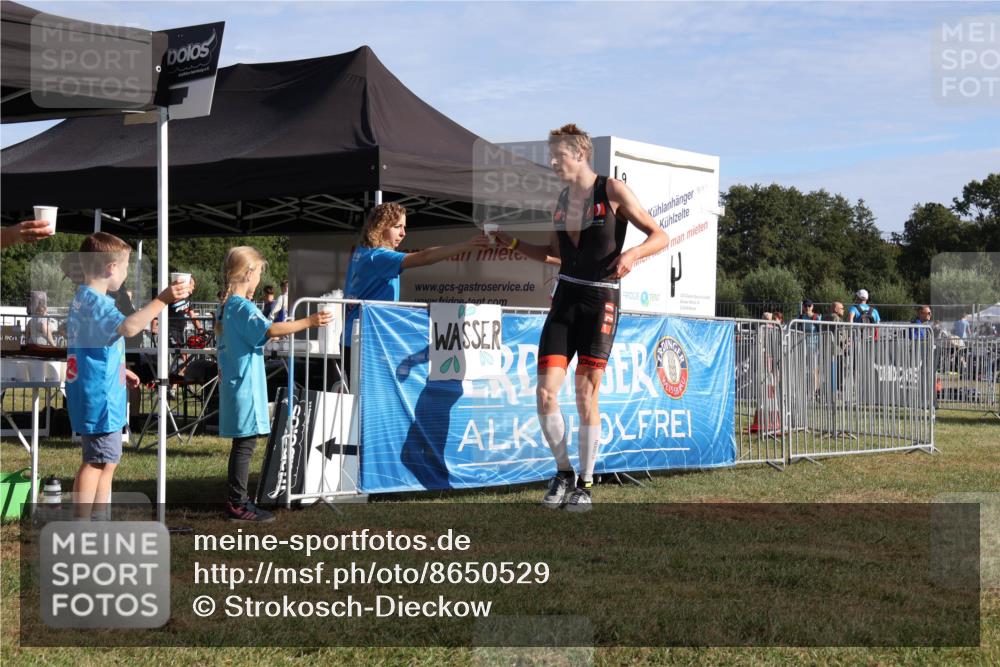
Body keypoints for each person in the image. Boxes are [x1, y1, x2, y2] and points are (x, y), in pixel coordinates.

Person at [493, 123, 668, 512]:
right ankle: (563, 472)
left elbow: (660, 235)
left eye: (558, 155)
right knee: (544, 393)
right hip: (565, 298)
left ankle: (586, 486)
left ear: (580, 153)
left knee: (586, 393)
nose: (552, 162)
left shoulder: (612, 189)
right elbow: (554, 254)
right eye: (550, 155)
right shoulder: (559, 200)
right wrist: (514, 243)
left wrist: (632, 255)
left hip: (601, 299)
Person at [62, 232, 190, 519]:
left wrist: (121, 369)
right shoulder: (99, 304)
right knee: (97, 461)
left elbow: (94, 348)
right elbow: (130, 328)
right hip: (100, 397)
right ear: (110, 268)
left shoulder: (82, 300)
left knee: (106, 460)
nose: (125, 274)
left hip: (95, 388)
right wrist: (162, 300)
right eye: (125, 266)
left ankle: (97, 521)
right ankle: (82, 524)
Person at [216, 246, 334, 522]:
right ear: (248, 273)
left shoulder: (227, 307)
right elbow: (269, 329)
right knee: (245, 446)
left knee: (242, 444)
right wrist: (310, 321)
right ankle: (237, 503)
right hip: (245, 386)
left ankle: (238, 499)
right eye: (258, 272)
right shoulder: (241, 306)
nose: (258, 279)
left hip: (236, 384)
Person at [342, 202, 489, 389]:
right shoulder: (378, 257)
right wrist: (467, 245)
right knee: (366, 405)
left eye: (404, 227)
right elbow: (424, 257)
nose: (403, 233)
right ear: (380, 227)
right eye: (397, 227)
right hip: (367, 341)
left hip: (355, 338)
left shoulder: (362, 252)